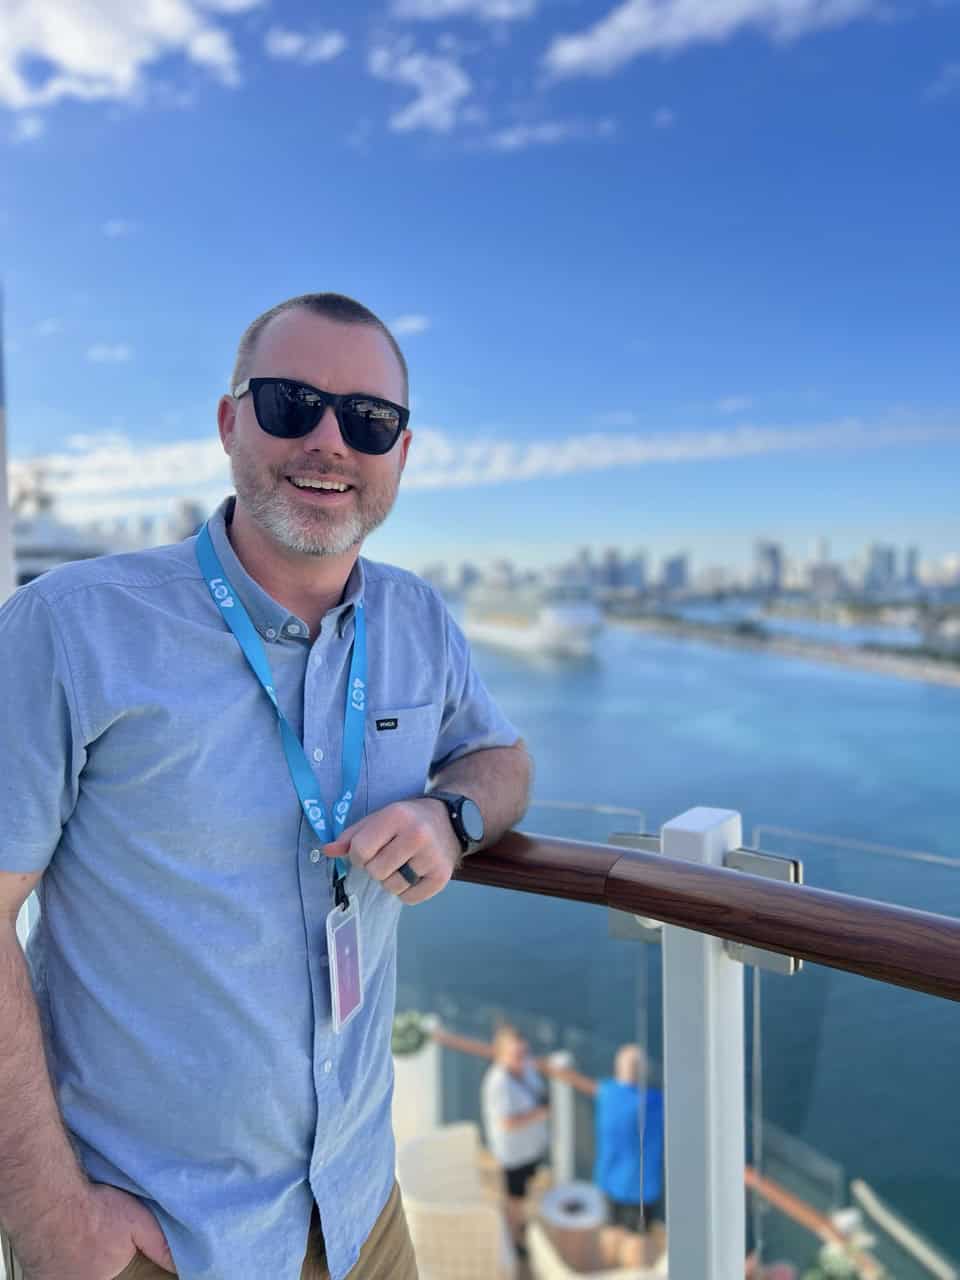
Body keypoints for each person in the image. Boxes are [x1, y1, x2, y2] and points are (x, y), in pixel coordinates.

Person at [0, 293, 532, 1280]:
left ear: (402, 455)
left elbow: (502, 759)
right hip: (156, 1239)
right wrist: (49, 1218)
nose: (330, 440)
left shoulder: (419, 621)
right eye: (293, 402)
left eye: (368, 420)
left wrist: (447, 814)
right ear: (228, 421)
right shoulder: (68, 626)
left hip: (364, 1211)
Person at [481, 1024, 550, 1253]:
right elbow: (506, 1123)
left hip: (530, 1146)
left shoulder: (526, 1070)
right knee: (514, 1198)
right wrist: (540, 1114)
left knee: (524, 1192)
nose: (522, 1057)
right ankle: (514, 1240)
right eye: (517, 1054)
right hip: (514, 1152)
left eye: (524, 1052)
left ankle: (521, 1228)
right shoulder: (498, 1082)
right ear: (502, 1054)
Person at [593, 1044, 665, 1232]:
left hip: (621, 1185)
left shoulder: (606, 1092)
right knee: (629, 1241)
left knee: (618, 1238)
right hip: (631, 1188)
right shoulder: (654, 1101)